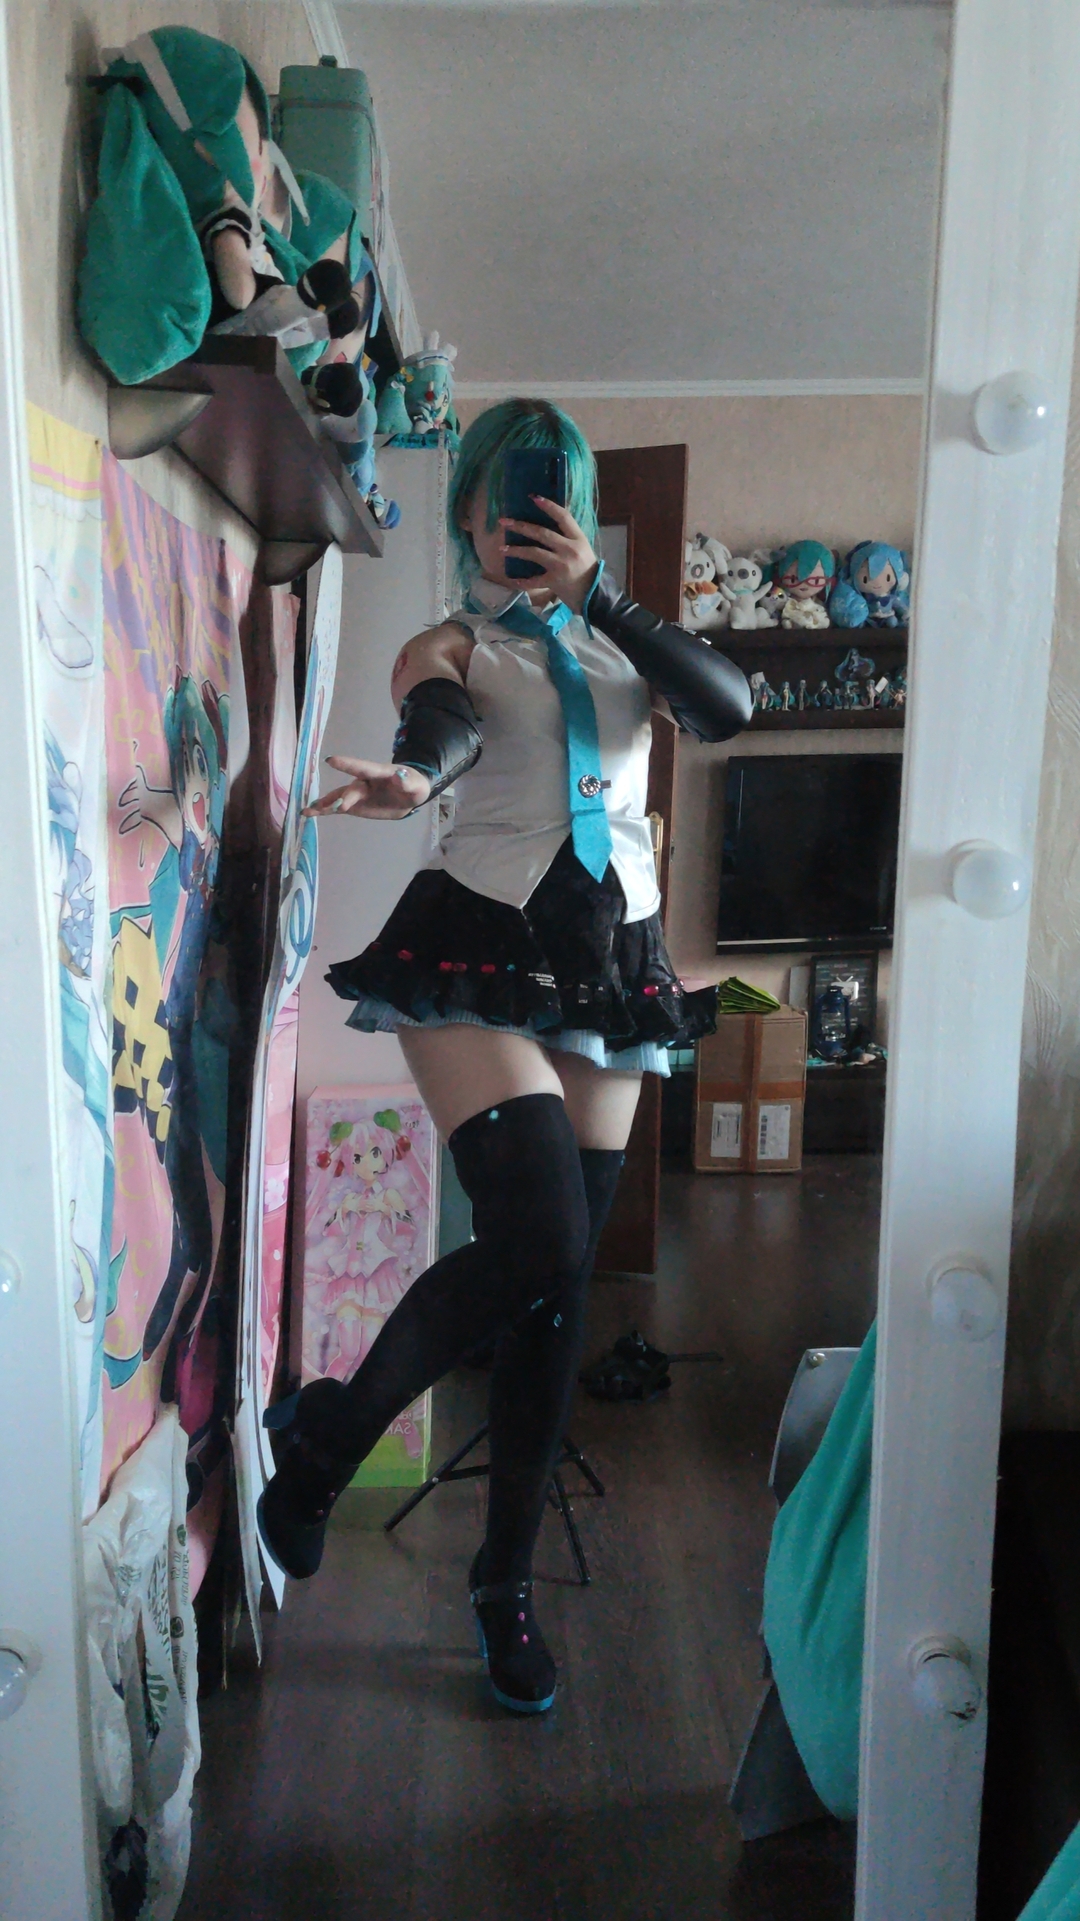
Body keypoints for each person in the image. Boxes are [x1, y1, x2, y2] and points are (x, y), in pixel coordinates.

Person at [258, 399, 751, 1714]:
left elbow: (729, 708)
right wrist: (413, 781)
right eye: (501, 499)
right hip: (477, 945)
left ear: (572, 511)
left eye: (550, 497)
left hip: (611, 960)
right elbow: (443, 727)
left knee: (558, 1284)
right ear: (470, 509)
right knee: (539, 1235)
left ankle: (503, 1584)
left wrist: (605, 600)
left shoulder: (627, 647)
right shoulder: (450, 640)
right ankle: (329, 1443)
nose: (521, 520)